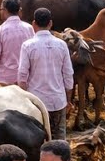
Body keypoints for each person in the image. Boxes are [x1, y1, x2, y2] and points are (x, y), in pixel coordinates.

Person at [18, 7, 74, 140]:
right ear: (50, 24)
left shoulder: (28, 46)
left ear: (34, 24)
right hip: (58, 100)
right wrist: (68, 99)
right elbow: (68, 75)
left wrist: (25, 97)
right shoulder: (61, 45)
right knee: (59, 137)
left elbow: (22, 77)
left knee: (38, 139)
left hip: (36, 103)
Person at [0, 0, 35, 86]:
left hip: (6, 80)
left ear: (5, 11)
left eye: (1, 9)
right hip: (26, 79)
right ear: (19, 10)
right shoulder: (29, 28)